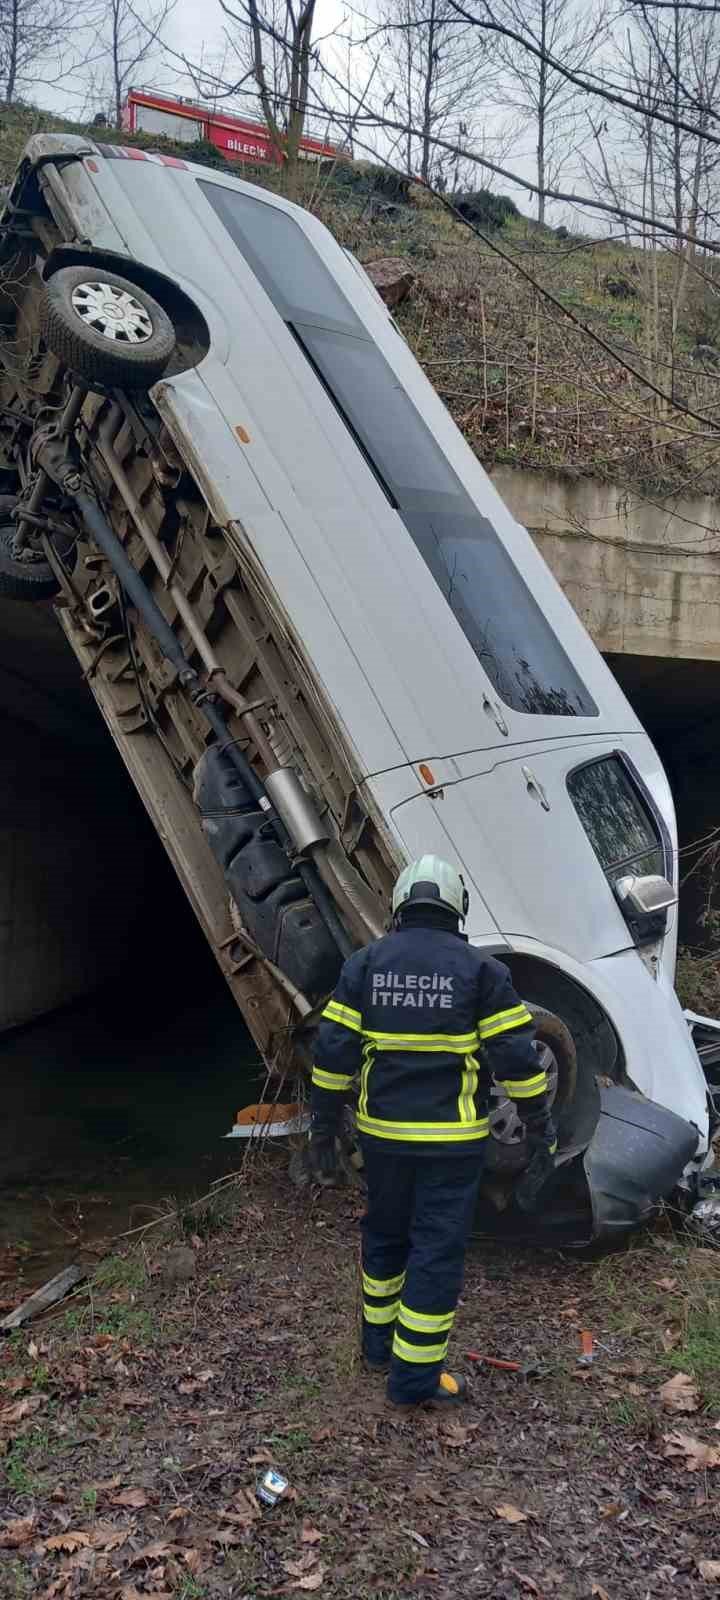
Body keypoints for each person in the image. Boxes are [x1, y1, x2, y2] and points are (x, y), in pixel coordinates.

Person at [309, 854, 557, 1408]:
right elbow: (517, 1060)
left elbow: (333, 1053)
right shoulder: (482, 972)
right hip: (451, 1143)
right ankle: (415, 1380)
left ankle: (378, 1349)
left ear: (399, 904)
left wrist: (322, 1129)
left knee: (385, 1235)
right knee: (436, 1250)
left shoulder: (365, 964)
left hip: (383, 1139)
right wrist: (540, 1126)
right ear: (457, 907)